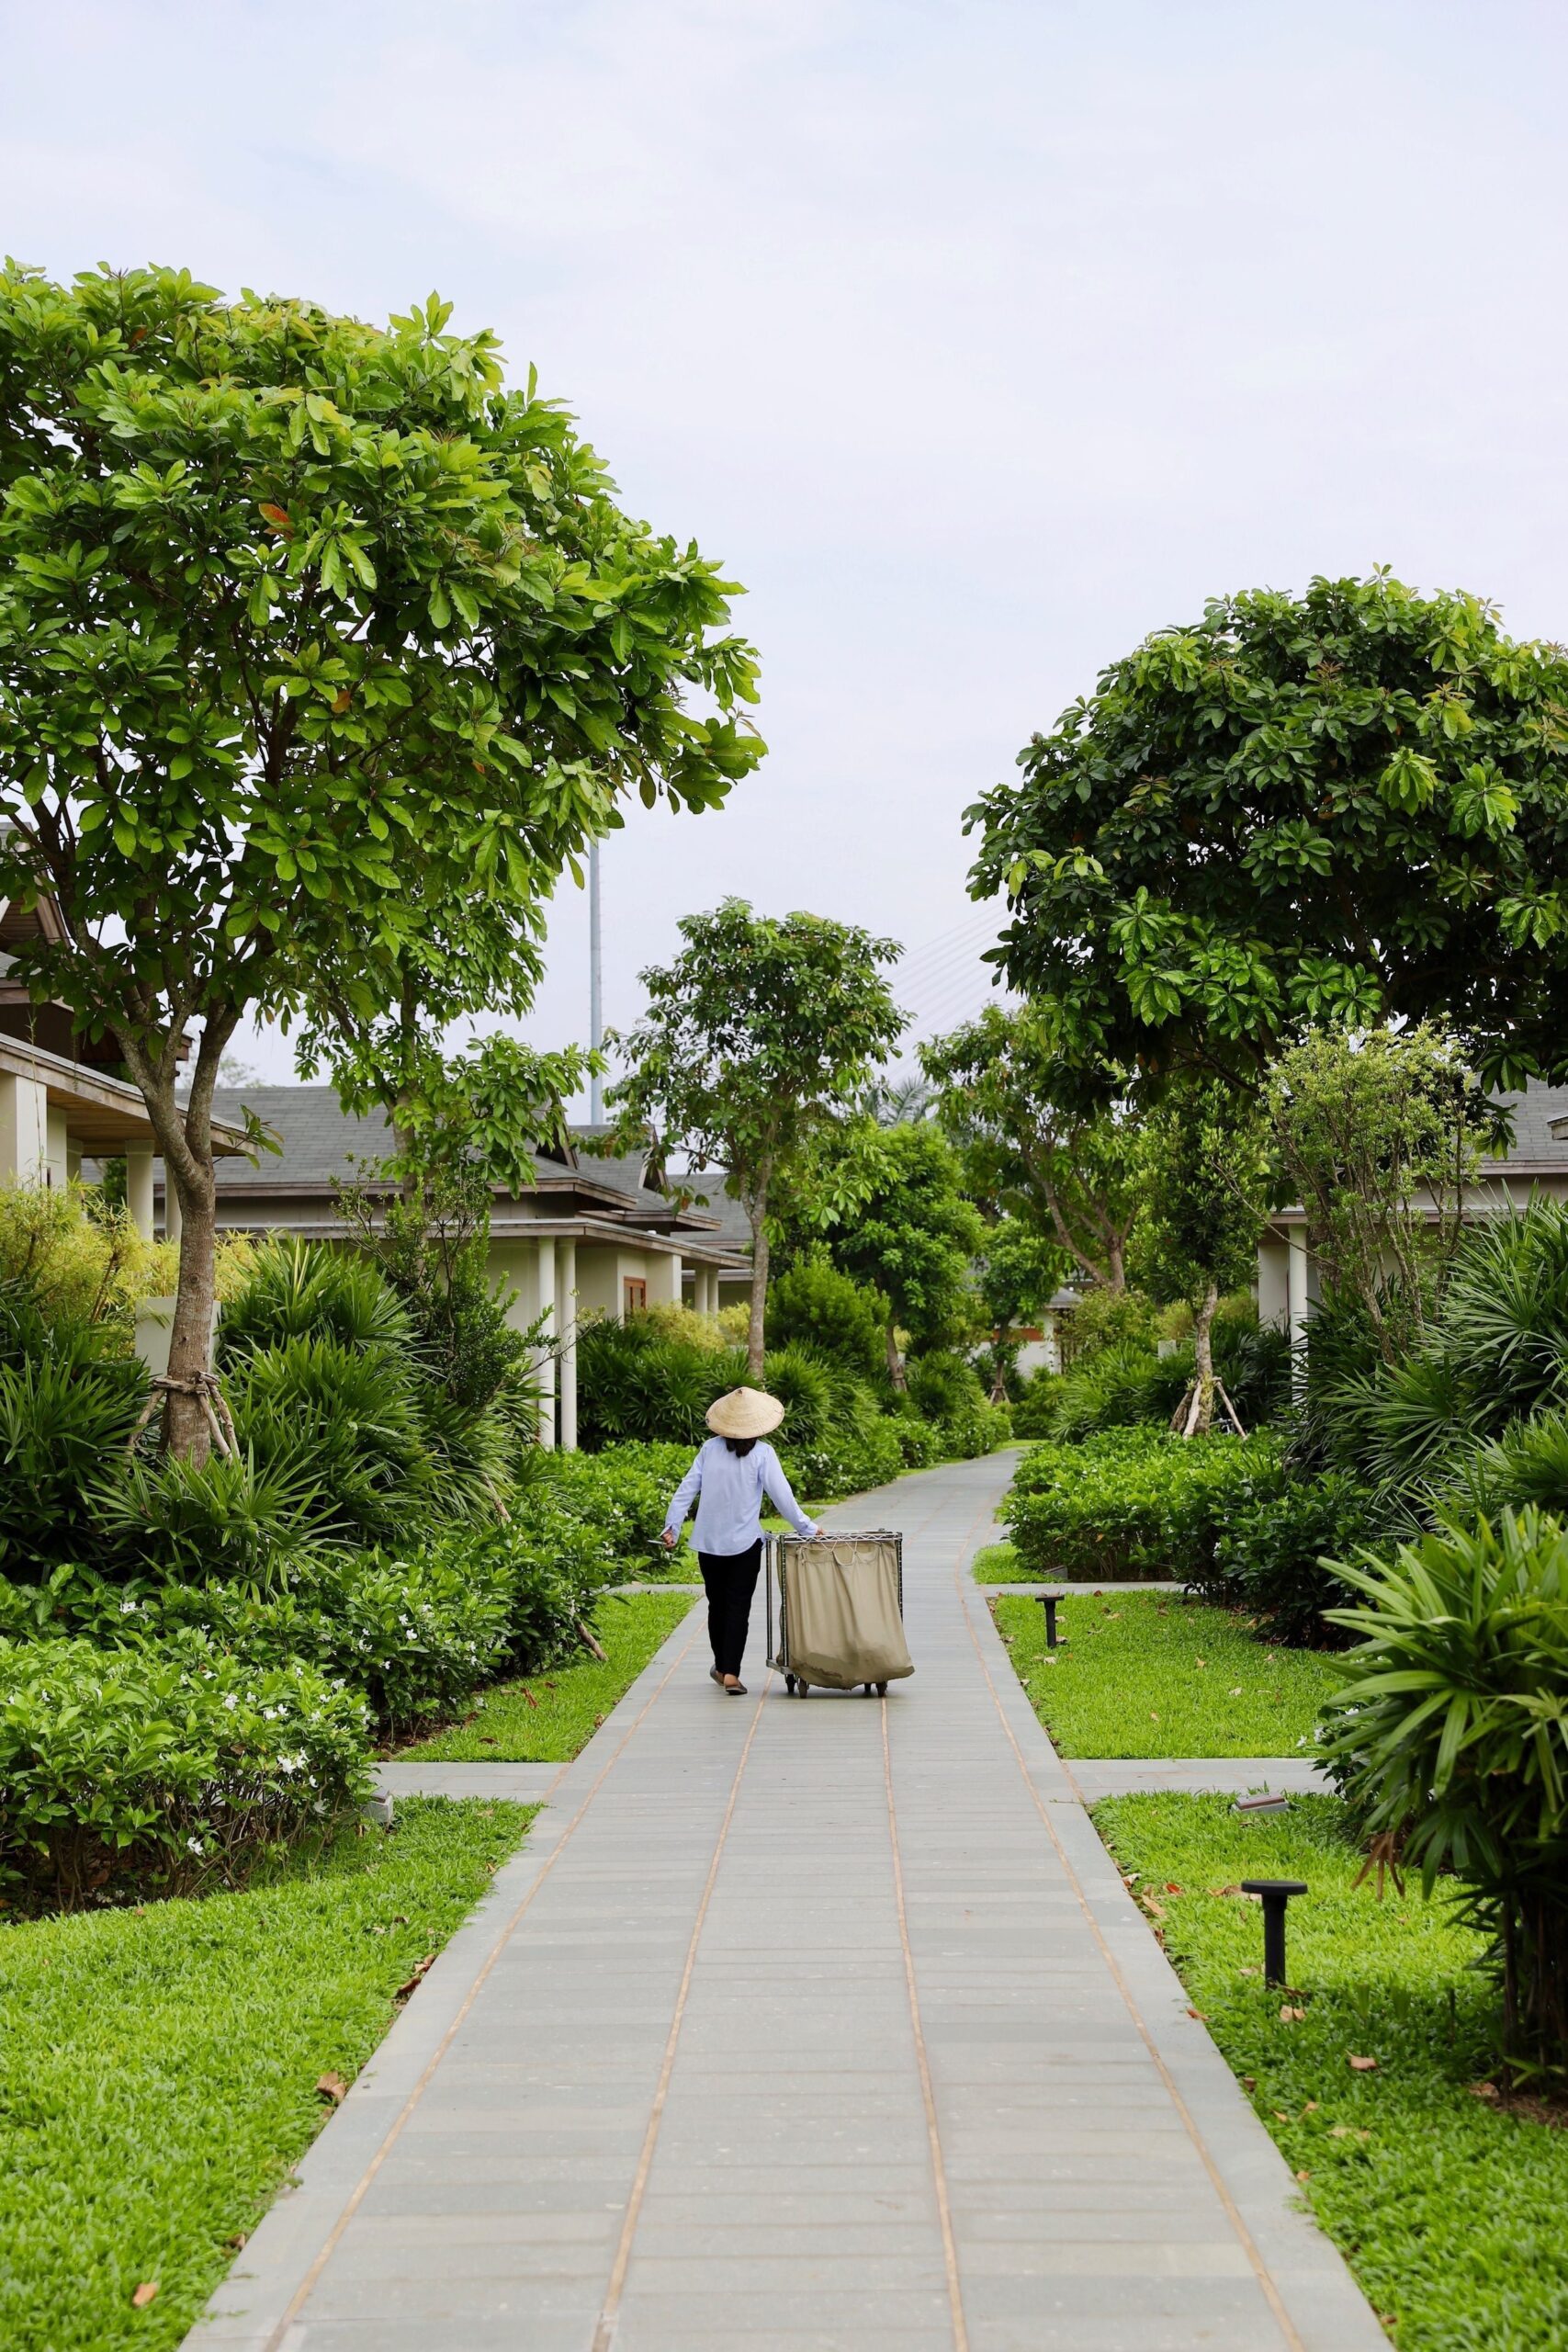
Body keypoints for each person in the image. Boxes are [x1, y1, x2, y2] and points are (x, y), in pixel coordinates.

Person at [661, 1385, 818, 1693]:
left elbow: (686, 1489)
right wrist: (808, 1528)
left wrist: (673, 1527)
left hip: (708, 1544)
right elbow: (782, 1497)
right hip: (745, 1546)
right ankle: (729, 1671)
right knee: (737, 1608)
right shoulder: (763, 1454)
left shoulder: (709, 1449)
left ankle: (722, 1667)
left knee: (717, 1606)